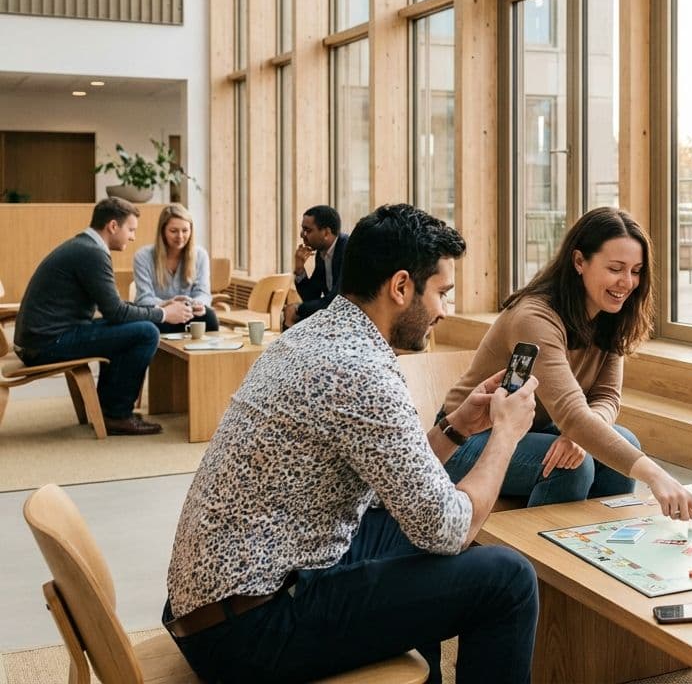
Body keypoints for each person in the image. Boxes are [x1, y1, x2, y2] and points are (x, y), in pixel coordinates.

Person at [164, 204, 540, 684]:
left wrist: (458, 427)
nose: (445, 311)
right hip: (250, 632)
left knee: (413, 531)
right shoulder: (362, 373)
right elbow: (449, 529)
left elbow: (399, 491)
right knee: (507, 578)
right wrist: (506, 436)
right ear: (401, 287)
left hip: (220, 599)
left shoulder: (315, 336)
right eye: (442, 293)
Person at [441, 207, 692, 528]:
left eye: (636, 271)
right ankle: (541, 566)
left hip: (535, 429)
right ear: (579, 261)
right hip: (466, 438)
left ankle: (606, 551)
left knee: (621, 444)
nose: (627, 282)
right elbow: (571, 413)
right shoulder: (535, 317)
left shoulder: (612, 315)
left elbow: (607, 397)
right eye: (615, 268)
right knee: (570, 465)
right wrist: (655, 474)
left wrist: (580, 435)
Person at [13, 198, 194, 436]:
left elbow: (114, 308)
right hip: (46, 344)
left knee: (136, 326)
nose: (132, 237)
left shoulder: (85, 247)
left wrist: (160, 306)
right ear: (112, 226)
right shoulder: (92, 254)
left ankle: (110, 409)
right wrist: (163, 314)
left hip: (41, 340)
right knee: (147, 332)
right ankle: (116, 414)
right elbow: (116, 313)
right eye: (131, 230)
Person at [132, 203, 219, 333]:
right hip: (160, 315)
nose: (180, 236)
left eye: (185, 231)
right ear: (163, 231)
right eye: (173, 231)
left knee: (210, 317)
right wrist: (169, 304)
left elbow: (203, 293)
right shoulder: (143, 256)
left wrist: (196, 304)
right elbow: (144, 299)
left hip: (189, 314)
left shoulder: (200, 255)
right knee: (146, 325)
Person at [282, 204, 349, 329]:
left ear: (326, 233)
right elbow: (311, 296)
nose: (302, 235)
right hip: (334, 315)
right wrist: (300, 268)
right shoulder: (322, 252)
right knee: (290, 316)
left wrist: (298, 308)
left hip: (349, 320)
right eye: (302, 229)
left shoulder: (348, 250)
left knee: (292, 315)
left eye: (308, 230)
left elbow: (336, 300)